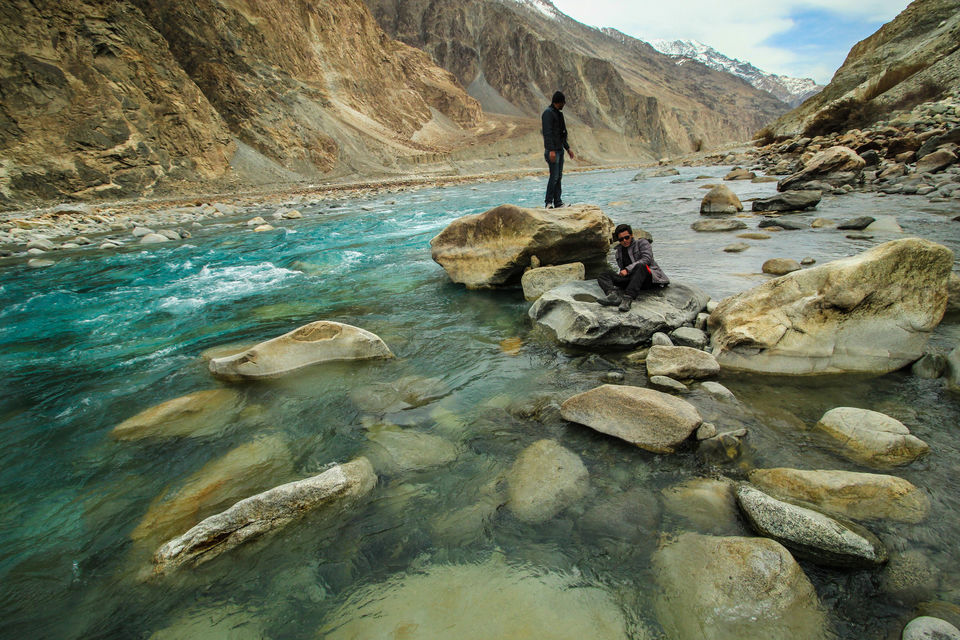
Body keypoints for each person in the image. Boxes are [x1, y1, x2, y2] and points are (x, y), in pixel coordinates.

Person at [596, 223, 669, 312]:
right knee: (604, 274)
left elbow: (647, 259)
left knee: (641, 266)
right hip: (632, 280)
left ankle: (627, 300)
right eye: (621, 239)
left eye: (627, 237)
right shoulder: (618, 252)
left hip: (647, 278)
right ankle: (613, 296)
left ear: (631, 235)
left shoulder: (642, 243)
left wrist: (627, 269)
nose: (624, 240)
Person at [541, 91, 574, 209]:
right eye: (563, 102)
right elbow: (547, 133)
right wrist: (551, 150)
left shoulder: (559, 114)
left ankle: (558, 202)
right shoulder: (548, 114)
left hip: (560, 150)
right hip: (553, 151)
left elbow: (562, 134)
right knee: (554, 176)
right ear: (558, 102)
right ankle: (548, 203)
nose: (564, 105)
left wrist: (567, 148)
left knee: (558, 176)